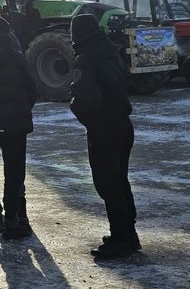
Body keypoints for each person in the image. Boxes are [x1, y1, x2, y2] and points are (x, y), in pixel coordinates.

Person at [69, 13, 140, 260]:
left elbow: (85, 98)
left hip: (104, 128)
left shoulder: (85, 59)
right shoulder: (111, 52)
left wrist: (78, 110)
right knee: (120, 181)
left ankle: (120, 240)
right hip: (123, 125)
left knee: (108, 184)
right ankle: (128, 234)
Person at [0, 14, 37, 239]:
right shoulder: (18, 58)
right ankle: (13, 218)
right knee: (14, 171)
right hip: (15, 125)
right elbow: (32, 90)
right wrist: (21, 109)